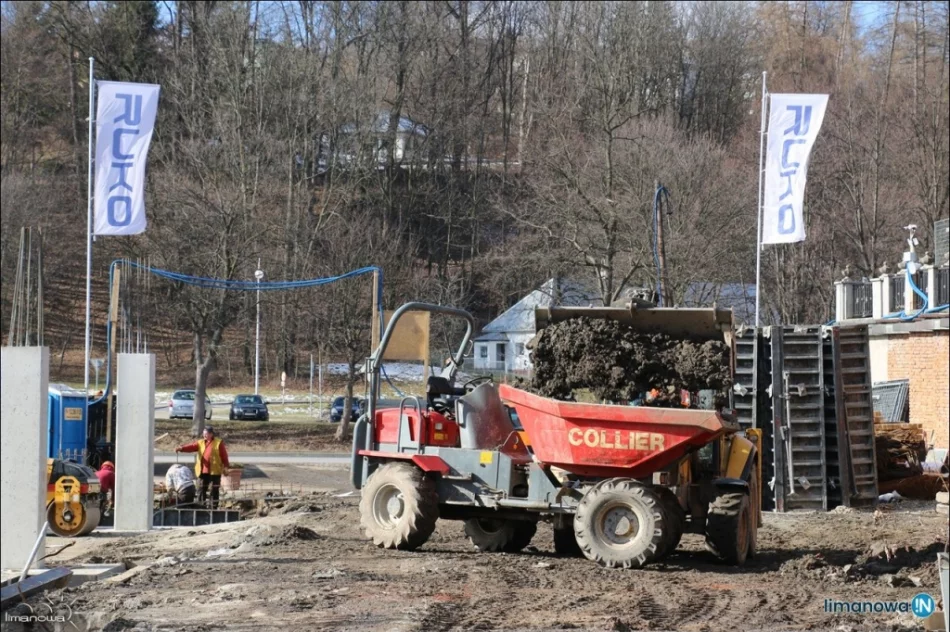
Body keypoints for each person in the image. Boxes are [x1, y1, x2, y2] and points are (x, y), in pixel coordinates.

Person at [176, 426, 230, 508]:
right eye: (204, 434)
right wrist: (182, 448)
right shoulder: (200, 442)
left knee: (214, 490)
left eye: (206, 434)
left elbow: (224, 456)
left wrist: (226, 467)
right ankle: (201, 506)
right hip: (202, 471)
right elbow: (192, 447)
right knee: (201, 489)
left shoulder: (218, 443)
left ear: (211, 434)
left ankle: (213, 507)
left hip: (214, 471)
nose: (204, 435)